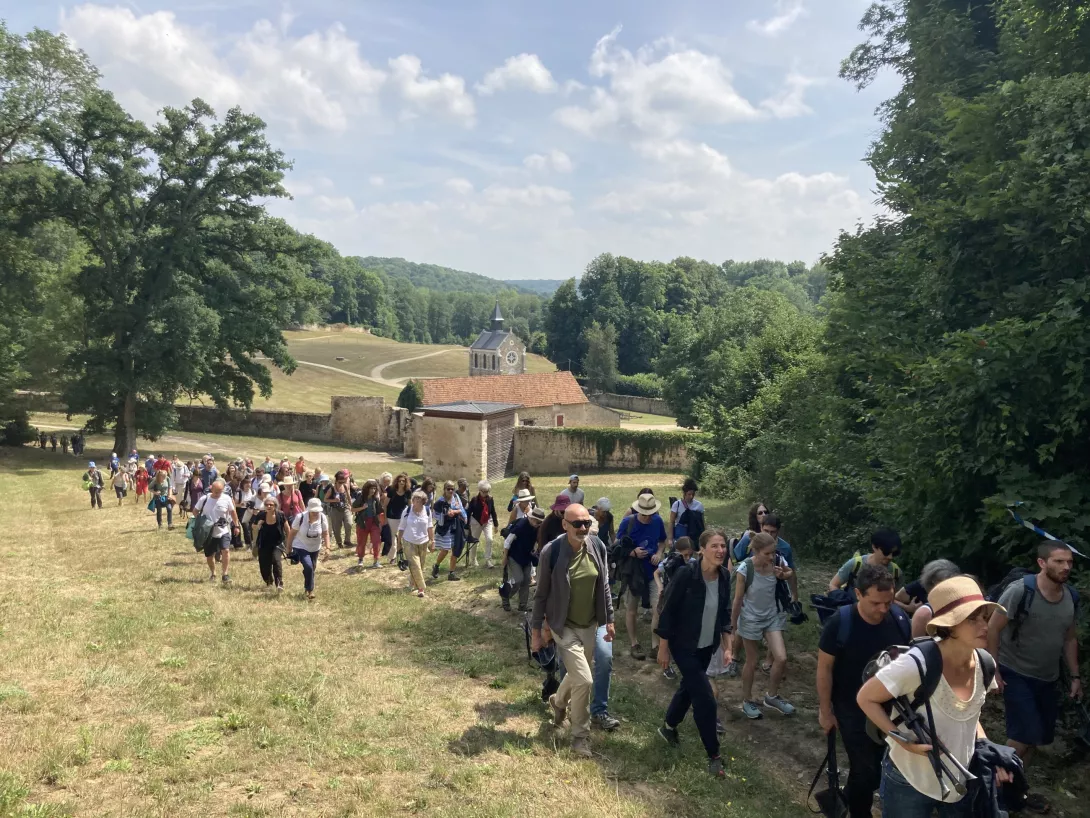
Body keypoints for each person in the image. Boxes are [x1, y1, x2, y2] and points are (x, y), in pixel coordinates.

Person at [857, 576, 1010, 816]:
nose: (984, 626)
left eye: (985, 617)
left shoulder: (984, 663)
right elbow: (866, 698)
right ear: (950, 625)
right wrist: (901, 740)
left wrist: (988, 753)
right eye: (973, 618)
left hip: (960, 778)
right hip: (909, 779)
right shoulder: (916, 664)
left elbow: (970, 716)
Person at [988, 542, 1081, 814]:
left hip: (1048, 678)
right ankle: (990, 783)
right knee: (1023, 736)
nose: (1065, 567)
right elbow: (993, 627)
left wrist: (1075, 676)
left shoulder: (1071, 597)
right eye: (1059, 561)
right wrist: (993, 668)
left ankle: (1012, 790)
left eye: (1069, 562)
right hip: (1015, 672)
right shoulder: (1021, 591)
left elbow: (1070, 638)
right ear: (1042, 563)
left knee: (1035, 739)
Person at [817, 564, 911, 818]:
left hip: (889, 709)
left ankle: (846, 800)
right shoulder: (841, 622)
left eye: (888, 602)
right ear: (858, 594)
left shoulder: (900, 621)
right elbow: (824, 668)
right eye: (876, 603)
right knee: (865, 769)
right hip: (850, 707)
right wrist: (825, 711)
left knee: (878, 769)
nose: (883, 609)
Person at [532, 503, 615, 758]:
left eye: (587, 523)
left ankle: (557, 703)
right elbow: (541, 594)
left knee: (581, 673)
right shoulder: (552, 551)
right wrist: (537, 632)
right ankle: (580, 737)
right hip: (563, 626)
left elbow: (605, 586)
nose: (583, 528)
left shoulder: (597, 546)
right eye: (577, 523)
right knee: (585, 679)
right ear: (565, 524)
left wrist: (609, 619)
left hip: (590, 624)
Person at [655, 528, 734, 778]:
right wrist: (664, 649)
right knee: (705, 697)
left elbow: (724, 614)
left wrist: (728, 646)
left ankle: (668, 728)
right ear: (702, 550)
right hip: (683, 645)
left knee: (688, 688)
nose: (721, 550)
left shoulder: (723, 577)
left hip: (706, 645)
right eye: (715, 546)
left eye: (723, 546)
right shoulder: (686, 574)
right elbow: (667, 611)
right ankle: (714, 756)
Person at [731, 532, 795, 719]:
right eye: (767, 553)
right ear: (756, 551)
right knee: (752, 660)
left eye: (773, 552)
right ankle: (746, 700)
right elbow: (737, 600)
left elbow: (790, 572)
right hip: (750, 618)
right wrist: (733, 627)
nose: (771, 557)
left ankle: (771, 696)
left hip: (771, 616)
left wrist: (783, 574)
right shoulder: (745, 568)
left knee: (781, 658)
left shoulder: (777, 560)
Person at [616, 492, 669, 661]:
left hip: (653, 572)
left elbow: (663, 541)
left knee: (657, 608)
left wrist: (659, 553)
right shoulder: (628, 522)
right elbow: (617, 547)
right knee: (632, 609)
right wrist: (632, 552)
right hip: (633, 573)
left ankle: (655, 646)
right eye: (645, 514)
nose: (648, 517)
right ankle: (634, 644)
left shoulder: (658, 521)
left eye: (650, 514)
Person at [829, 528, 904, 597]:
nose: (890, 557)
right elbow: (833, 584)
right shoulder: (856, 564)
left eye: (895, 553)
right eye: (886, 552)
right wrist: (842, 601)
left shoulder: (896, 572)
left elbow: (896, 598)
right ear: (874, 547)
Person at [193, 479, 241, 585]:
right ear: (211, 489)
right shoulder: (204, 498)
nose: (217, 494)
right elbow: (195, 511)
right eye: (216, 491)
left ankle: (225, 574)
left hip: (223, 529)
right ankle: (213, 573)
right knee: (210, 555)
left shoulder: (227, 498)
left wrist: (236, 525)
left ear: (223, 490)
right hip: (209, 532)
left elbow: (233, 512)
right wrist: (201, 523)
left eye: (220, 491)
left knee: (226, 550)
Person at [502, 506, 545, 612]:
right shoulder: (521, 526)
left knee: (526, 581)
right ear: (532, 518)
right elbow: (508, 541)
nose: (538, 524)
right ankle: (505, 596)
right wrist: (504, 557)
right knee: (518, 580)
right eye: (537, 521)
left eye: (540, 522)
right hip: (514, 556)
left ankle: (522, 605)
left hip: (527, 556)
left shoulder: (538, 527)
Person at [286, 497, 330, 600]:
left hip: (315, 547)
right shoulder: (300, 517)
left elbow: (325, 533)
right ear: (309, 510)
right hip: (301, 545)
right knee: (309, 566)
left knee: (311, 569)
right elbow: (292, 533)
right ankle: (310, 590)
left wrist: (328, 548)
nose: (316, 513)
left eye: (317, 511)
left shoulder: (323, 518)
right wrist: (289, 547)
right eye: (313, 511)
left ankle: (307, 585)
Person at [909, 560, 961, 638]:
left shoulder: (961, 607)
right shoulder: (924, 613)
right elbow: (918, 646)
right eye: (944, 583)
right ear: (932, 583)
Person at [397, 490, 435, 598]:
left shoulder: (427, 511)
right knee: (415, 565)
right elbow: (401, 527)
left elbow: (430, 526)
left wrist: (433, 541)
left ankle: (412, 583)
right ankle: (421, 588)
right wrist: (399, 542)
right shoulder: (407, 510)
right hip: (409, 541)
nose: (416, 501)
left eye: (419, 500)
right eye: (414, 499)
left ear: (423, 502)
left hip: (423, 541)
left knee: (420, 565)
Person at [431, 481, 467, 581]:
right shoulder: (440, 502)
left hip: (456, 527)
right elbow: (435, 515)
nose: (450, 490)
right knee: (445, 551)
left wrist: (454, 512)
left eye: (452, 488)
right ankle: (436, 566)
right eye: (448, 489)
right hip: (445, 528)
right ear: (444, 489)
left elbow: (460, 509)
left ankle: (451, 573)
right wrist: (446, 514)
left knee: (455, 550)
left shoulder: (455, 497)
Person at [253, 494, 289, 591]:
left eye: (271, 505)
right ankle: (269, 581)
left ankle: (279, 583)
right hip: (263, 544)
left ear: (275, 506)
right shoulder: (261, 515)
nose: (268, 506)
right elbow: (253, 527)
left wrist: (289, 543)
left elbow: (287, 528)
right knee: (264, 564)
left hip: (277, 543)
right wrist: (258, 525)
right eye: (267, 504)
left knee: (276, 561)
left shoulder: (280, 514)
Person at [352, 479, 383, 569]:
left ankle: (376, 561)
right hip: (362, 523)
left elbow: (378, 512)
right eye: (371, 488)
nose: (373, 490)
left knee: (377, 541)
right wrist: (362, 507)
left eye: (374, 488)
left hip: (374, 522)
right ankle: (361, 559)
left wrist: (379, 523)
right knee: (362, 542)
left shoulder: (375, 499)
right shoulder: (361, 498)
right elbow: (352, 509)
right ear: (367, 489)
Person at [467, 480, 498, 569]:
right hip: (476, 522)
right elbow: (469, 512)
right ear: (479, 490)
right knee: (474, 542)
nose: (485, 493)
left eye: (487, 491)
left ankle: (488, 559)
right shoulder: (474, 500)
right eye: (483, 492)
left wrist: (496, 524)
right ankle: (473, 560)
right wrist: (467, 524)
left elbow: (493, 511)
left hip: (487, 521)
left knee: (490, 539)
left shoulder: (490, 499)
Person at [322, 470, 354, 550]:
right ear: (336, 480)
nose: (342, 484)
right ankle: (339, 542)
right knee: (337, 528)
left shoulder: (345, 486)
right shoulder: (331, 488)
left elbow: (348, 496)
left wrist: (351, 506)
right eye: (340, 482)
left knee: (349, 523)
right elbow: (325, 499)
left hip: (345, 508)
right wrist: (333, 500)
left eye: (343, 482)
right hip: (335, 510)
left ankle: (347, 540)